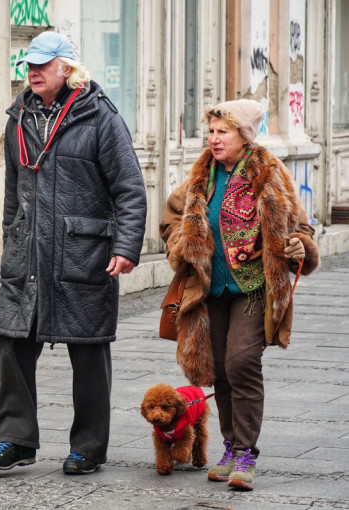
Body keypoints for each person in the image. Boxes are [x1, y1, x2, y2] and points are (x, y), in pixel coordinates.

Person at [0, 31, 147, 475]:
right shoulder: (19, 117)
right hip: (28, 253)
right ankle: (14, 439)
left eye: (42, 64)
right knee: (12, 343)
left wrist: (128, 246)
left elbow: (129, 188)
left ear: (66, 69)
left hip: (83, 251)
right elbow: (13, 192)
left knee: (88, 350)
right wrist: (12, 237)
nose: (32, 71)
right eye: (29, 65)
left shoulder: (100, 117)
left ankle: (87, 447)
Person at [159, 99, 319, 490]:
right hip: (209, 291)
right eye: (210, 131)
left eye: (222, 132)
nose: (213, 139)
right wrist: (185, 242)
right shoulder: (200, 176)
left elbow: (302, 229)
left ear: (244, 136)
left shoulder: (270, 174)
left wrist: (300, 246)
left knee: (241, 362)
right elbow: (170, 220)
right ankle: (230, 447)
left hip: (253, 289)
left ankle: (246, 453)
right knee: (220, 371)